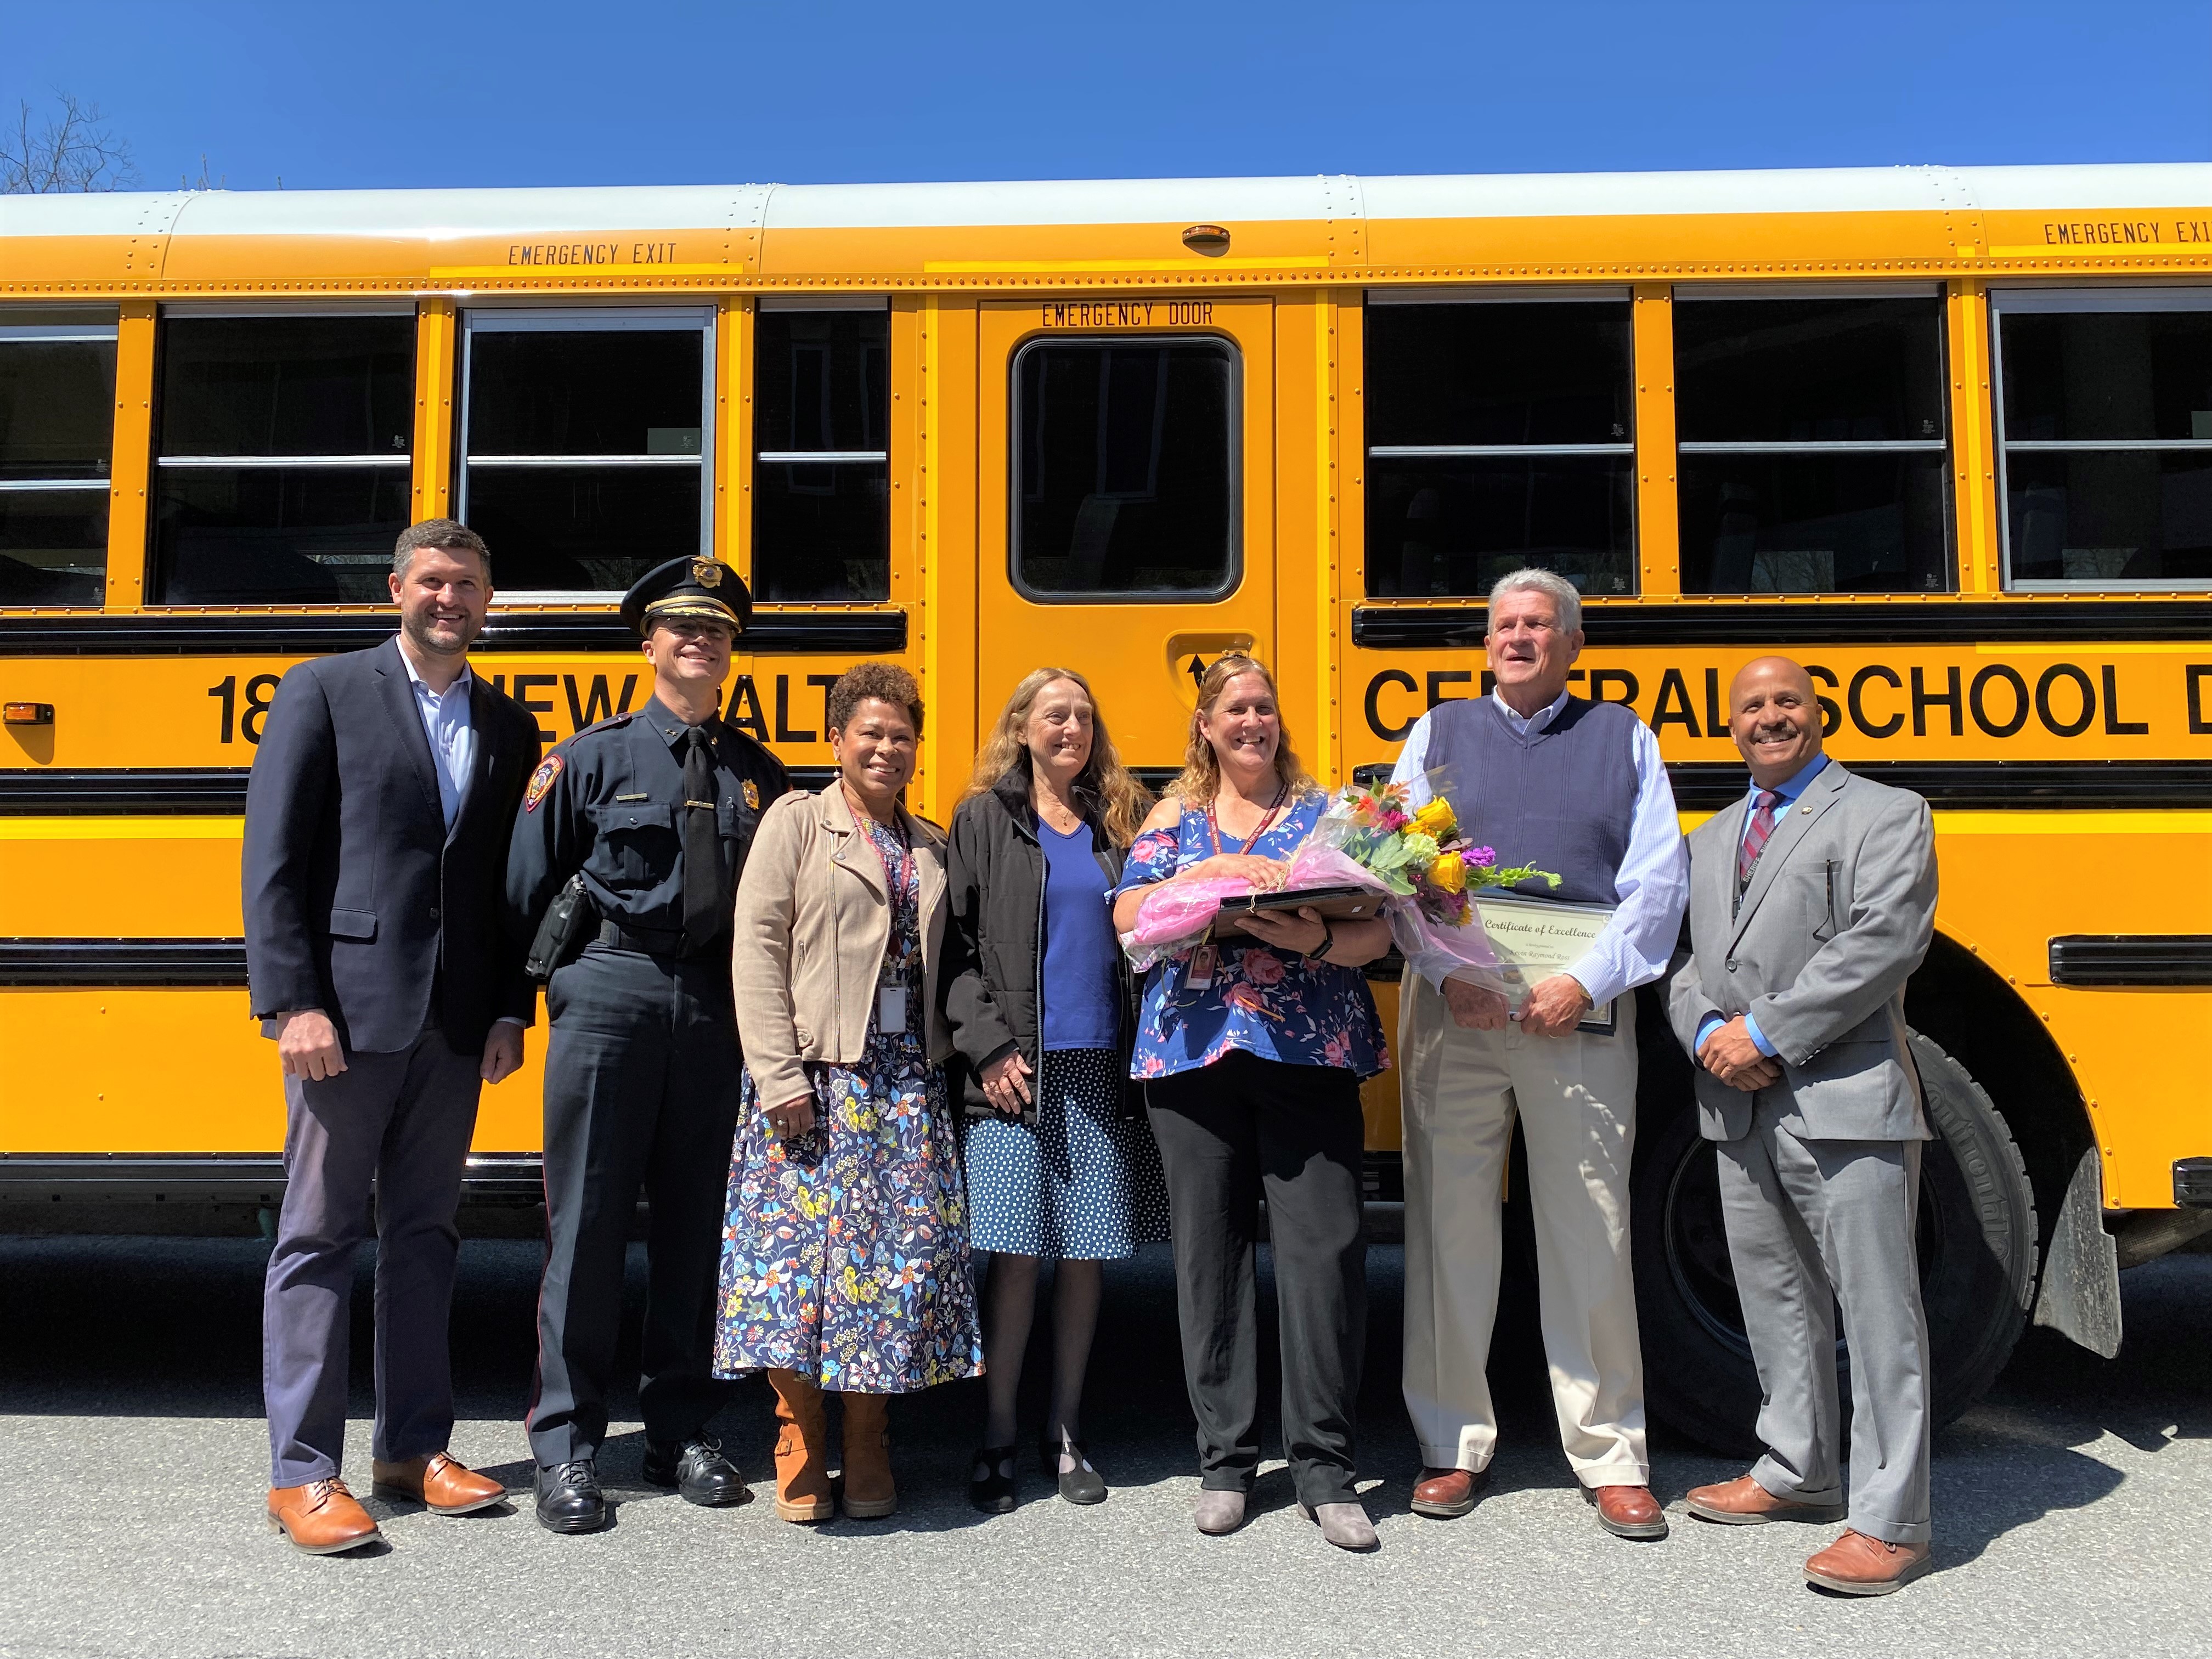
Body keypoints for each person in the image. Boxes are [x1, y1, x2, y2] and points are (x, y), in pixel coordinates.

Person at [244, 518, 540, 1554]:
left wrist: (508, 1007)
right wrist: (295, 1002)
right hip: (346, 1018)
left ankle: (412, 1451)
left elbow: (509, 886)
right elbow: (275, 860)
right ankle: (303, 1474)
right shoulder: (322, 691)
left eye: (467, 584)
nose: (449, 599)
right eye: (432, 581)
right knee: (317, 1236)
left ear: (488, 602)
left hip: (453, 1026)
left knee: (425, 1237)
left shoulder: (508, 724)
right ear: (396, 589)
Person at [1389, 566, 1686, 1541]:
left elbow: (1655, 885)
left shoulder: (1624, 738)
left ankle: (1611, 1454)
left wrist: (1584, 983)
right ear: (1486, 644)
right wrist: (1445, 970)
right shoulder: (1434, 734)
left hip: (1578, 1016)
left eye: (1539, 626)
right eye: (1505, 625)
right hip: (1459, 1012)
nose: (1519, 639)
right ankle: (1449, 1442)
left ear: (1572, 645)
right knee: (1447, 1226)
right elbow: (1397, 877)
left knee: (1591, 1227)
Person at [504, 555, 788, 1535]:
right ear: (648, 643)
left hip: (715, 1008)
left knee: (695, 1231)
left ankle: (679, 1430)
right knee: (582, 1226)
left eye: (714, 630)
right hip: (612, 995)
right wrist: (524, 1005)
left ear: (729, 651)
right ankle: (568, 1447)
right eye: (678, 628)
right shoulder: (588, 760)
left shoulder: (758, 775)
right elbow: (524, 893)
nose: (696, 642)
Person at [1668, 656, 1939, 1596]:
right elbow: (1689, 966)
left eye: (1788, 702)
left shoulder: (1885, 812)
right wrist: (1706, 1029)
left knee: (1877, 1313)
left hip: (1845, 1095)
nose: (1770, 717)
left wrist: (1767, 1032)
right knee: (1775, 1300)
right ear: (1729, 726)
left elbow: (1888, 938)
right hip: (1737, 1105)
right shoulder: (1709, 838)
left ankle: (1891, 1520)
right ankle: (1797, 1468)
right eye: (1753, 707)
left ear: (1820, 715)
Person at [1109, 654, 1393, 1552]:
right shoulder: (1172, 818)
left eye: (1264, 707)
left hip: (1308, 1053)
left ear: (1279, 721)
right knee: (1209, 1260)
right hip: (1194, 1057)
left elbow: (1379, 928)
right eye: (1234, 708)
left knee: (1324, 1255)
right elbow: (1128, 918)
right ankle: (1225, 1463)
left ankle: (1325, 1468)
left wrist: (1312, 928)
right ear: (1205, 724)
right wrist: (1216, 881)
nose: (1251, 722)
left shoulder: (1328, 816)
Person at [716, 662, 982, 1524]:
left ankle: (868, 1437)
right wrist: (777, 1074)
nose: (887, 747)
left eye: (902, 734)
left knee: (886, 1271)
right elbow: (755, 950)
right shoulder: (797, 825)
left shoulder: (930, 842)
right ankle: (799, 1433)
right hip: (816, 1079)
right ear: (837, 739)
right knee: (794, 1269)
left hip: (905, 1085)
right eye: (870, 731)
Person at [942, 668, 1169, 1512]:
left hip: (1097, 1068)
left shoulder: (1122, 823)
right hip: (1013, 1070)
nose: (1069, 727)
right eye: (1053, 714)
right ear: (1022, 728)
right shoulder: (985, 819)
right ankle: (998, 1428)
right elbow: (954, 951)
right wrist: (990, 1048)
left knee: (1083, 1260)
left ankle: (1066, 1430)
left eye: (1082, 715)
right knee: (1013, 1255)